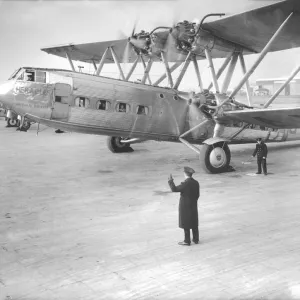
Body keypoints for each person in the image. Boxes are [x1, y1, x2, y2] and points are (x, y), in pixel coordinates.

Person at [168, 167, 200, 246]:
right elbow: (197, 195)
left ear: (185, 174)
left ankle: (187, 240)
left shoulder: (185, 184)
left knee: (186, 223)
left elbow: (174, 189)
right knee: (194, 222)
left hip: (185, 207)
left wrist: (170, 181)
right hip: (193, 205)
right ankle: (196, 239)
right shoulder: (196, 183)